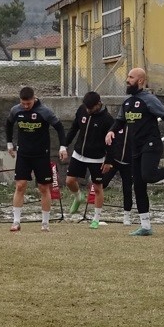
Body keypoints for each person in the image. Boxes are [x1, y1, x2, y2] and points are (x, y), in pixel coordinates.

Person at [105, 67, 164, 236]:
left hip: (151, 144)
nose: (127, 80)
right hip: (136, 148)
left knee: (149, 176)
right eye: (127, 76)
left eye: (131, 77)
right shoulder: (127, 102)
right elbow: (119, 121)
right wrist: (111, 130)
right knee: (139, 186)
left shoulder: (149, 99)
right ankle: (146, 226)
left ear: (140, 81)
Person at [6, 86, 67, 232]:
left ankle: (45, 223)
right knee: (20, 185)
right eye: (23, 103)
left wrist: (63, 146)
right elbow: (8, 123)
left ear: (34, 98)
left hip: (41, 155)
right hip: (23, 154)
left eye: (28, 103)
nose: (26, 106)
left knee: (43, 187)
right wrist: (9, 143)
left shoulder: (44, 111)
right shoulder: (16, 110)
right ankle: (16, 222)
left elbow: (59, 127)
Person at [61, 91, 114, 229]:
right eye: (86, 108)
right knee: (69, 181)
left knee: (97, 187)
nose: (88, 110)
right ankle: (78, 197)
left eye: (91, 108)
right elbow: (74, 128)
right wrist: (64, 145)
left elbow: (112, 144)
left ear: (98, 104)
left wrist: (108, 160)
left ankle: (96, 219)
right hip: (79, 154)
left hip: (97, 158)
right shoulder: (82, 110)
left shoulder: (107, 119)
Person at [102, 124, 135, 226]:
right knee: (102, 183)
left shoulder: (137, 126)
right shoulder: (116, 125)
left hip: (129, 164)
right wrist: (107, 160)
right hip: (113, 160)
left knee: (127, 189)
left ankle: (126, 216)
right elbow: (109, 142)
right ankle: (96, 213)